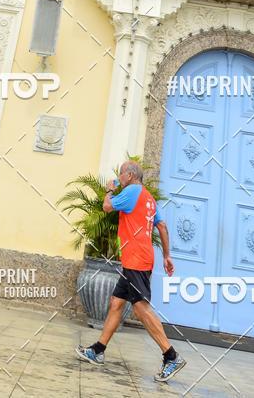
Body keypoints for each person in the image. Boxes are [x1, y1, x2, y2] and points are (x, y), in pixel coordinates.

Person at [76, 160, 186, 383]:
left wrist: (109, 189)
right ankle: (98, 350)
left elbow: (107, 206)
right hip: (136, 260)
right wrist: (166, 255)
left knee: (141, 308)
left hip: (136, 260)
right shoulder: (148, 198)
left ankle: (171, 356)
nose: (119, 177)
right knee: (117, 303)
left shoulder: (131, 191)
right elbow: (162, 226)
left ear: (130, 175)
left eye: (121, 174)